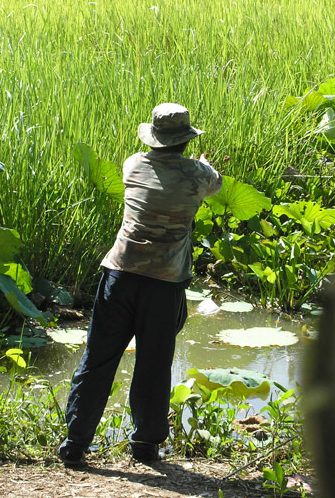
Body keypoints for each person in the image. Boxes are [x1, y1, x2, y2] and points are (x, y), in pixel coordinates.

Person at [58, 103, 223, 466]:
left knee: (98, 359)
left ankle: (75, 442)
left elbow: (159, 173)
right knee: (153, 363)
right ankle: (145, 445)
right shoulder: (198, 175)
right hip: (164, 285)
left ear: (154, 137)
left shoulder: (133, 165)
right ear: (185, 140)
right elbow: (214, 181)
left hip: (119, 276)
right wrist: (203, 164)